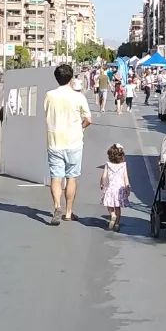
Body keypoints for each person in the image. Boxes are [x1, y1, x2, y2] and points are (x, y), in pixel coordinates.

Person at [43, 63, 92, 225]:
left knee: (56, 177)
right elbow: (88, 120)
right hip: (74, 142)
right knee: (71, 177)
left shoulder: (49, 95)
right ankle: (69, 212)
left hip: (54, 141)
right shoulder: (79, 97)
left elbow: (46, 113)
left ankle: (57, 206)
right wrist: (80, 127)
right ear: (71, 78)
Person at [100, 142, 130, 232]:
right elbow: (126, 177)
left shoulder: (108, 165)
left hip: (110, 188)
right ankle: (117, 224)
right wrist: (127, 188)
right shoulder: (123, 165)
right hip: (119, 189)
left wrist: (102, 184)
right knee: (118, 207)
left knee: (109, 204)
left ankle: (112, 214)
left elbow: (104, 176)